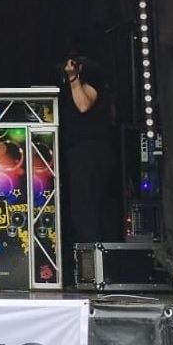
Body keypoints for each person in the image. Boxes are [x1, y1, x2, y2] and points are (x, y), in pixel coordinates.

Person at [60, 54, 115, 243]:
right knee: (84, 205)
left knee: (85, 206)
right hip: (86, 151)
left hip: (89, 152)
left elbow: (83, 105)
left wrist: (73, 78)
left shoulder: (93, 83)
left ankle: (92, 252)